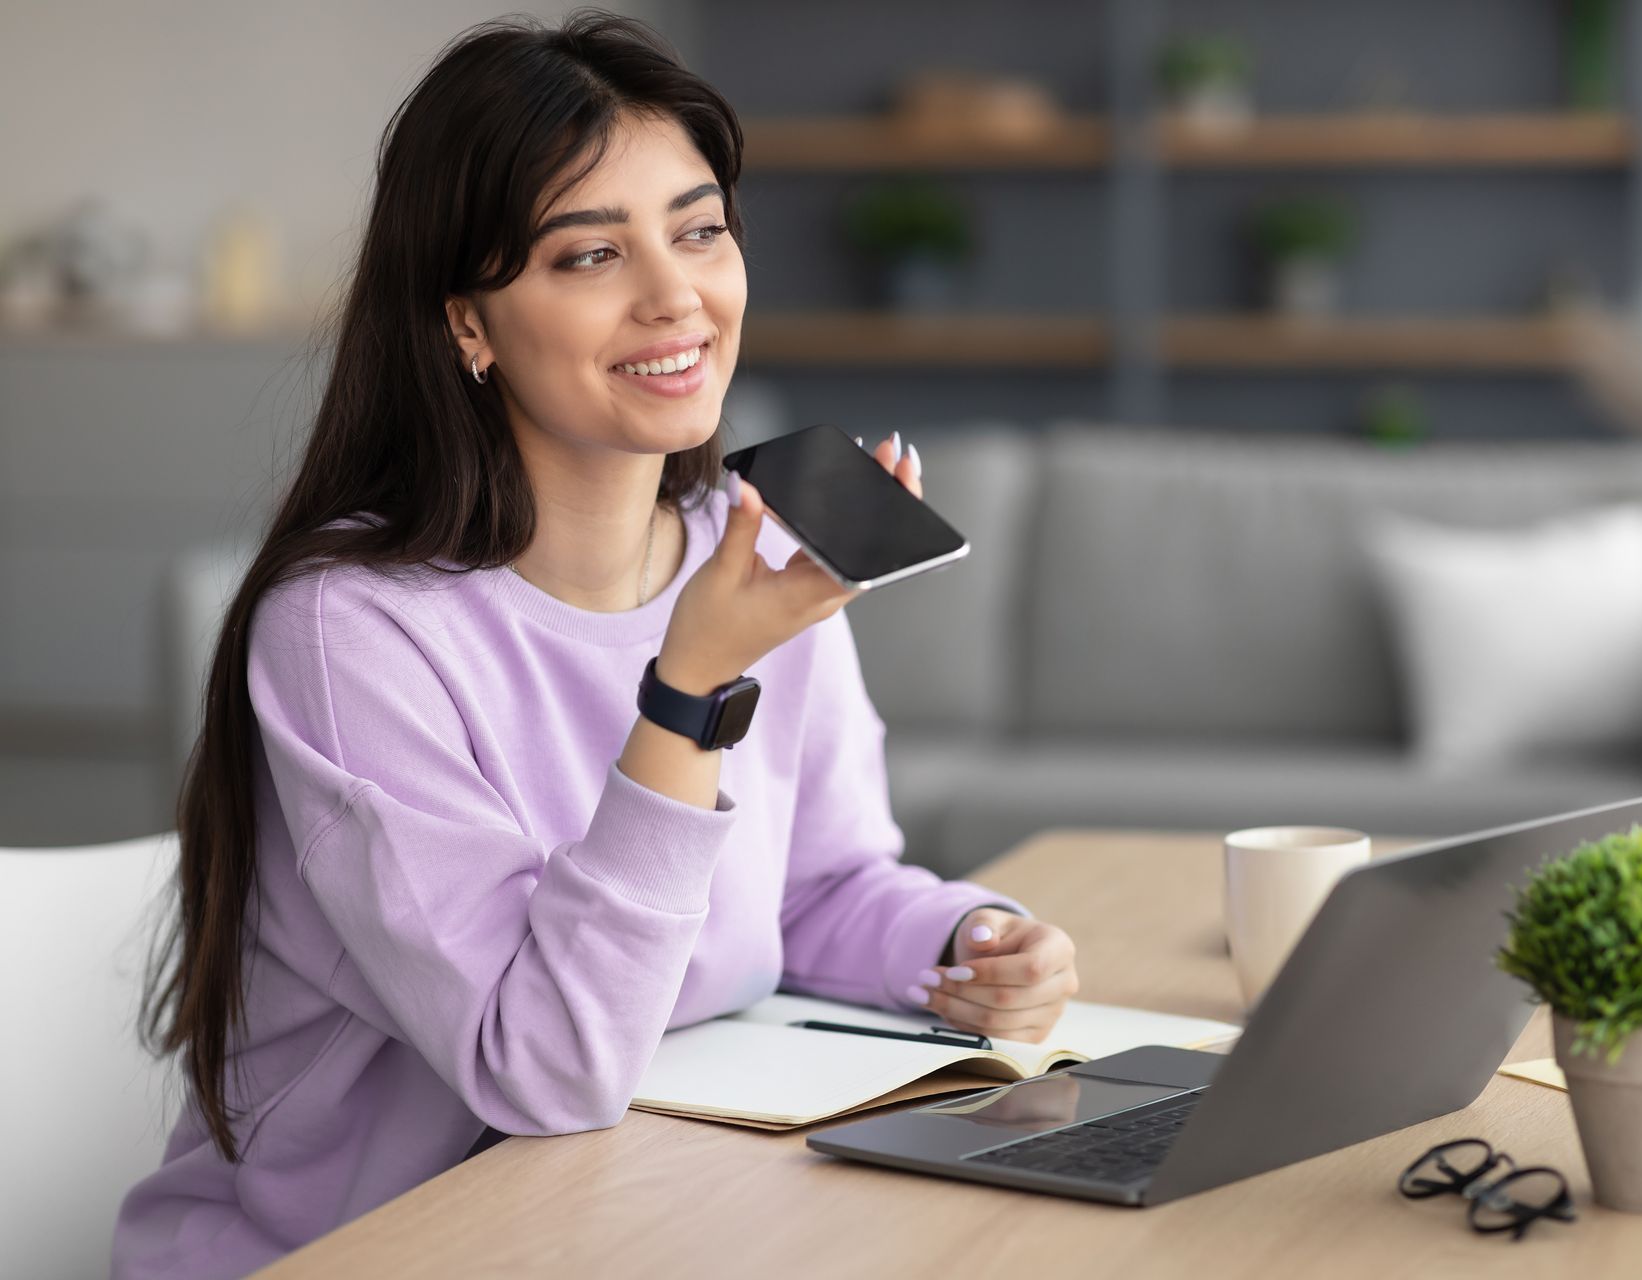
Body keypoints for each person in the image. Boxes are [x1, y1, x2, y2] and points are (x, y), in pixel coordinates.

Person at [114, 12, 1079, 1277]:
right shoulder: (353, 630)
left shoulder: (743, 552)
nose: (676, 294)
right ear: (468, 324)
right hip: (368, 1249)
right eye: (589, 256)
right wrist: (688, 690)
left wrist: (970, 942)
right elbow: (547, 1061)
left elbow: (820, 886)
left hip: (645, 1204)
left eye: (699, 229)